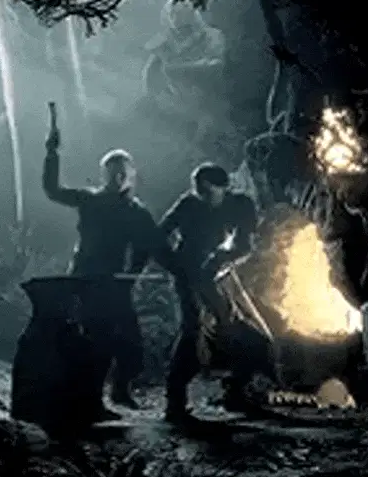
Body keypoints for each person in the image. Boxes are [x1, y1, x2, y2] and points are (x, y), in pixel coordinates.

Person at [42, 103, 162, 421]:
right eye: (113, 173)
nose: (118, 178)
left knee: (131, 344)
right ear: (105, 175)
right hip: (87, 279)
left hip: (116, 283)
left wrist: (134, 275)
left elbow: (149, 245)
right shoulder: (90, 200)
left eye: (123, 173)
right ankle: (92, 402)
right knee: (97, 339)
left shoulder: (136, 212)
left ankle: (120, 389)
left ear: (131, 176)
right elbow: (52, 190)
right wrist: (52, 153)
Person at [158, 162, 272, 424]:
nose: (202, 196)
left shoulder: (240, 205)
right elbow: (159, 235)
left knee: (247, 330)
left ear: (224, 188)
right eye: (198, 191)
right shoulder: (188, 204)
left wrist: (221, 258)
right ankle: (175, 400)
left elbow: (244, 245)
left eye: (208, 191)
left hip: (219, 275)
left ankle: (236, 391)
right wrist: (175, 266)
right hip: (188, 276)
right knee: (193, 331)